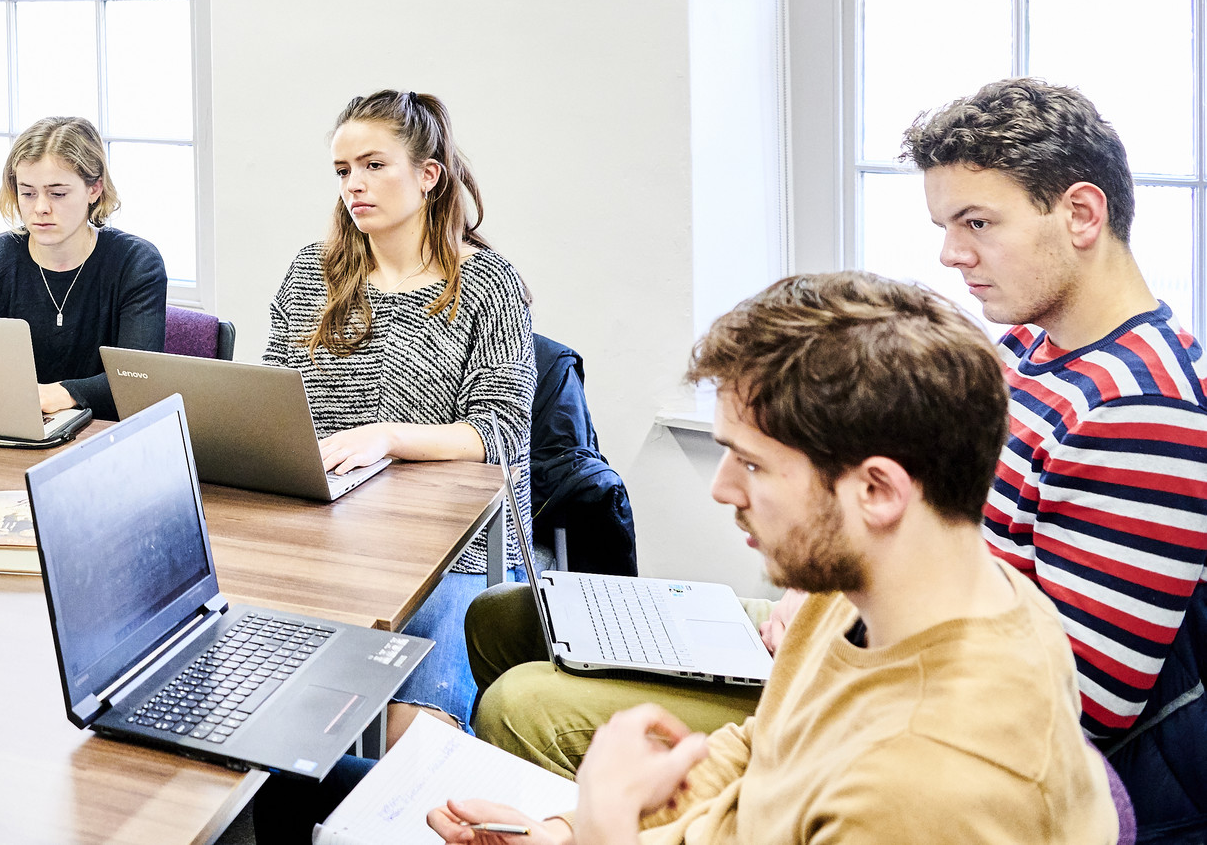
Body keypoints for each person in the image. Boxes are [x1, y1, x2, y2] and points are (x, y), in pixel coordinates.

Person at [465, 80, 1206, 842]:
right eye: (945, 224)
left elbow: (1089, 699)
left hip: (918, 652)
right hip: (883, 611)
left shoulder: (1139, 410)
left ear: (1081, 214)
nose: (950, 254)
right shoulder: (1029, 342)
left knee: (524, 700)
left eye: (976, 223)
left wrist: (847, 612)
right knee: (508, 616)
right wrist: (832, 606)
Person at [410, 272, 1114, 845]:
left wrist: (604, 830)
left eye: (748, 465)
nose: (721, 490)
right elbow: (760, 751)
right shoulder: (862, 591)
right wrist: (563, 831)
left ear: (877, 491)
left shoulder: (922, 785)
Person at [261, 89, 534, 737]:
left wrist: (384, 436)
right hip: (320, 530)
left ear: (427, 175)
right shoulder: (310, 272)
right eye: (342, 171)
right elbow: (268, 403)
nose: (353, 184)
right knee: (268, 702)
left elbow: (498, 431)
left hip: (452, 549)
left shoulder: (487, 282)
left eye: (373, 165)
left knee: (413, 728)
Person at [0, 115, 167, 420]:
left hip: (102, 436)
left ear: (94, 189)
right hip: (5, 424)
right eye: (28, 192)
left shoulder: (136, 264)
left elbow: (137, 379)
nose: (40, 208)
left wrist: (62, 393)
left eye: (57, 193)